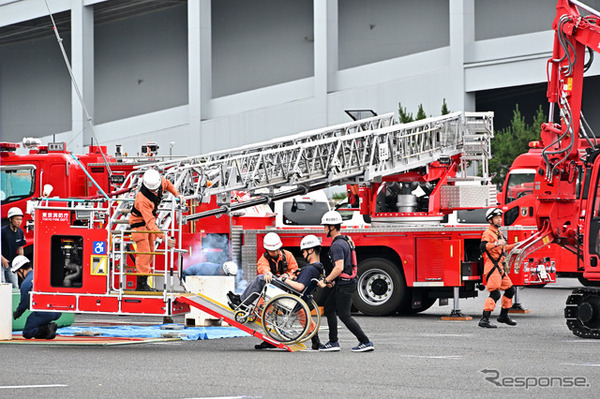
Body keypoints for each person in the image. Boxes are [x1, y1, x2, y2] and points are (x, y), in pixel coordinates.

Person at [227, 235, 323, 349]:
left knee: (259, 280)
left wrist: (288, 276)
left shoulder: (288, 255)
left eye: (277, 249)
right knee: (261, 309)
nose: (275, 252)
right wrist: (267, 273)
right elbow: (262, 267)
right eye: (272, 251)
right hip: (274, 289)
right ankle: (268, 339)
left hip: (286, 288)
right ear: (267, 250)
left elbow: (294, 270)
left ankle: (241, 302)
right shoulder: (264, 259)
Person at [318, 211, 374, 352]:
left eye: (325, 226)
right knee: (329, 308)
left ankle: (365, 341)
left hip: (345, 285)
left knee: (344, 315)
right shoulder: (345, 240)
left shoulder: (336, 245)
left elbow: (339, 267)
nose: (324, 228)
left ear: (332, 227)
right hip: (344, 282)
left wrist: (326, 280)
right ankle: (333, 342)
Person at [129, 169, 184, 291]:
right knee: (144, 253)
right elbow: (150, 222)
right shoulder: (142, 199)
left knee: (151, 252)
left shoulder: (159, 183)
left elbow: (168, 184)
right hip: (139, 225)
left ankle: (144, 283)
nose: (155, 192)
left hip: (147, 225)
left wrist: (177, 194)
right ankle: (141, 285)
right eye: (152, 190)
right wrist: (164, 238)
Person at [478, 208, 518, 328]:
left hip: (499, 267)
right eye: (496, 218)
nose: (499, 219)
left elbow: (503, 248)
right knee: (495, 293)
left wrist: (515, 246)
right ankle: (484, 319)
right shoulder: (488, 233)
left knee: (510, 290)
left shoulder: (498, 232)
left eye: (500, 217)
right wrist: (495, 244)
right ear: (490, 220)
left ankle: (503, 316)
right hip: (492, 267)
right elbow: (483, 246)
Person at [12, 255, 62, 339]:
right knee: (36, 320)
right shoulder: (42, 274)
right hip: (57, 311)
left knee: (27, 332)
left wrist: (17, 313)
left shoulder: (26, 283)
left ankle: (47, 329)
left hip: (44, 312)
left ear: (21, 270)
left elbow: (24, 304)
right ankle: (48, 330)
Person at [1, 207, 26, 288]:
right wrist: (2, 259)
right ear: (10, 219)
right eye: (17, 219)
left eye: (20, 219)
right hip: (1, 262)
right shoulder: (3, 231)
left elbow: (20, 248)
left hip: (11, 264)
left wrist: (21, 262)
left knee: (15, 285)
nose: (19, 222)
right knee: (2, 285)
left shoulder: (20, 232)